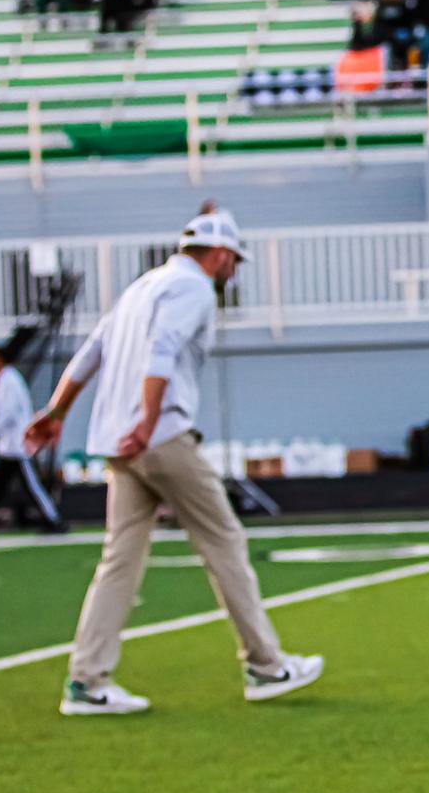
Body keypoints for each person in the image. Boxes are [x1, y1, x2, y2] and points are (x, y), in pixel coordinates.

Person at [24, 211, 325, 715]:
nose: (233, 271)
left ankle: (87, 681)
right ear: (221, 254)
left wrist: (57, 411)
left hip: (121, 445)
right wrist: (148, 418)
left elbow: (91, 352)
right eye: (234, 261)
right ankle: (266, 665)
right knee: (223, 540)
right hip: (158, 437)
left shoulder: (143, 286)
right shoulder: (193, 290)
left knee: (119, 560)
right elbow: (160, 350)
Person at [0, 345, 66, 537]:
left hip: (19, 446)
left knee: (32, 486)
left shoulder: (9, 380)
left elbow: (7, 414)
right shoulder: (4, 379)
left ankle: (54, 521)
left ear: (0, 359)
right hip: (7, 447)